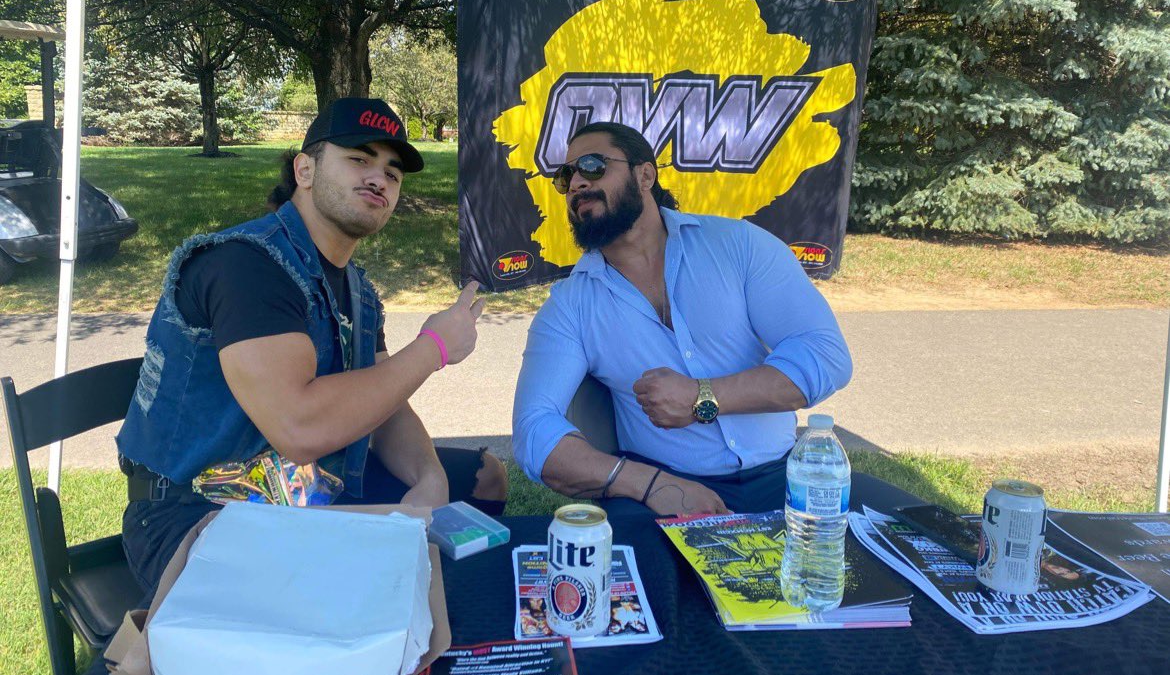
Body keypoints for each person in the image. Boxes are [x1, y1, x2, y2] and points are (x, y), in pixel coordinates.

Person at [117, 97, 507, 597]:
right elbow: (299, 427)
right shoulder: (248, 267)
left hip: (310, 493)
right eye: (358, 159)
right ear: (304, 169)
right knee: (364, 595)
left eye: (392, 172)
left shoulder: (357, 290)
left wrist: (429, 480)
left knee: (482, 479)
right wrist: (433, 346)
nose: (378, 179)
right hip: (198, 513)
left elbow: (385, 407)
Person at [512, 121, 852, 517]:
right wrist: (651, 485)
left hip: (784, 479)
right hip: (661, 491)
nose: (576, 184)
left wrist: (702, 397)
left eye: (592, 166)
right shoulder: (570, 305)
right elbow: (534, 430)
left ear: (645, 175)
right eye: (566, 176)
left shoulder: (736, 245)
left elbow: (826, 355)